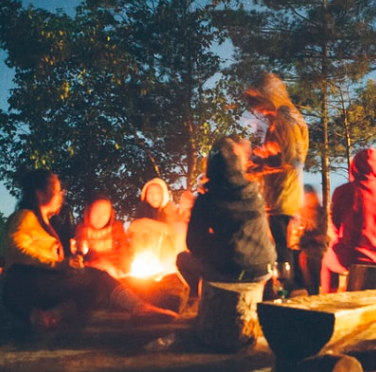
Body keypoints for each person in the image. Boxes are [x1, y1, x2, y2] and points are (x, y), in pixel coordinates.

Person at [0, 169, 176, 328]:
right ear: (40, 194)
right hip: (29, 285)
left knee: (96, 291)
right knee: (99, 277)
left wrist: (67, 266)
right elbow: (15, 249)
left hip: (43, 284)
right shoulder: (25, 216)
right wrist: (58, 265)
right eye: (57, 189)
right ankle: (139, 307)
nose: (62, 194)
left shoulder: (45, 221)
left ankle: (51, 316)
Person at [177, 137, 277, 287]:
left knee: (182, 259)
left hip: (233, 270)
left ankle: (199, 300)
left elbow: (193, 243)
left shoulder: (208, 199)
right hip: (265, 267)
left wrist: (219, 246)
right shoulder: (254, 193)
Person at [243, 72, 309, 286]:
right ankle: (294, 293)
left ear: (268, 95)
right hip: (280, 195)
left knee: (282, 250)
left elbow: (293, 159)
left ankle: (288, 296)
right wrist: (264, 154)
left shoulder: (285, 117)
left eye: (258, 101)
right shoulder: (284, 118)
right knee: (284, 248)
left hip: (283, 196)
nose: (256, 109)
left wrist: (259, 166)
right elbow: (283, 152)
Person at [320, 148, 376, 293]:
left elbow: (335, 224)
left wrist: (339, 239)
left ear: (354, 168)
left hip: (353, 255)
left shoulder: (344, 190)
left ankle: (329, 297)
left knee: (327, 262)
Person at [129, 177, 186, 276]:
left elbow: (173, 230)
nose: (154, 196)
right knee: (142, 229)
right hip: (146, 252)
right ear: (145, 196)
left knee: (152, 230)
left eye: (158, 193)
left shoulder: (169, 209)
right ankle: (142, 265)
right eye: (150, 193)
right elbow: (131, 230)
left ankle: (163, 269)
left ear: (163, 195)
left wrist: (146, 222)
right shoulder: (143, 211)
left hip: (168, 252)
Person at [73, 194, 132, 279]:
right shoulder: (82, 229)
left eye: (105, 213)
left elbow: (124, 250)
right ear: (89, 212)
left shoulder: (116, 227)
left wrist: (125, 270)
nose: (101, 217)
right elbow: (79, 257)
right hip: (93, 275)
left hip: (117, 274)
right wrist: (99, 264)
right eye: (96, 212)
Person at [296, 184, 330, 295]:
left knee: (320, 257)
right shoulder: (300, 214)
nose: (309, 199)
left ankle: (321, 287)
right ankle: (312, 290)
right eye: (307, 196)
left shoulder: (322, 213)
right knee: (305, 258)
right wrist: (312, 238)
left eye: (311, 196)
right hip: (305, 247)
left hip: (321, 248)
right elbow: (298, 237)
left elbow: (327, 234)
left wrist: (322, 238)